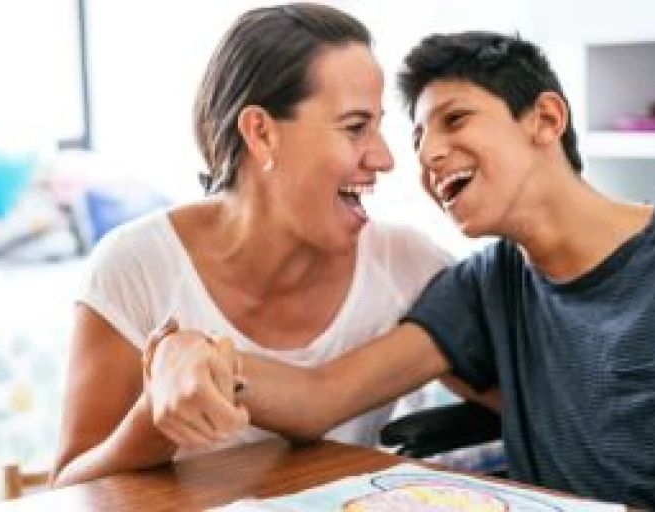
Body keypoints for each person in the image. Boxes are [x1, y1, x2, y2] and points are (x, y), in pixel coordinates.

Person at [146, 32, 655, 511]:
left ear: (545, 118)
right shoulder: (488, 282)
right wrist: (193, 353)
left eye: (455, 119)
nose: (428, 155)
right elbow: (320, 396)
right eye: (416, 139)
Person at [46, 3, 476, 487]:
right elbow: (68, 489)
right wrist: (155, 415)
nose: (385, 157)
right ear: (261, 133)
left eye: (378, 126)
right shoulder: (136, 266)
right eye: (355, 127)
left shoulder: (407, 266)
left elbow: (514, 391)